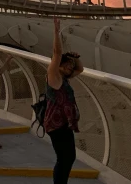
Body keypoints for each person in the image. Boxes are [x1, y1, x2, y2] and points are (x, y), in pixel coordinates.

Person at [46, 18, 83, 184]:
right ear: (58, 65)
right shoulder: (54, 77)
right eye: (67, 65)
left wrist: (76, 57)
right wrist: (56, 32)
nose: (70, 67)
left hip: (64, 124)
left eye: (70, 65)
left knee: (69, 158)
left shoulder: (65, 79)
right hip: (56, 125)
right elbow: (56, 53)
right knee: (64, 159)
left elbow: (80, 69)